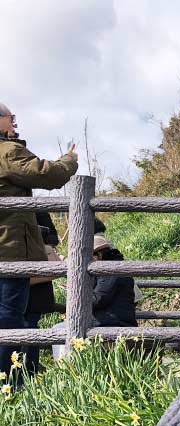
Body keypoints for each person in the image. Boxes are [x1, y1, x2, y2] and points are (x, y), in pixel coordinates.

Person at [0, 103, 78, 374]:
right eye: (12, 118)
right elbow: (47, 173)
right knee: (10, 318)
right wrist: (69, 161)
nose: (14, 124)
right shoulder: (6, 152)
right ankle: (8, 379)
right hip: (9, 250)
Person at [23, 213, 62, 376]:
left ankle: (29, 372)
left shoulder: (37, 209)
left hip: (34, 284)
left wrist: (34, 235)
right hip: (23, 275)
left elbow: (53, 238)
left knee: (30, 327)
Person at [91, 235, 137, 327]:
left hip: (113, 323)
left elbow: (99, 300)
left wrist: (77, 294)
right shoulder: (113, 266)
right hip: (110, 321)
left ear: (99, 255)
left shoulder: (110, 271)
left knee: (58, 329)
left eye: (91, 257)